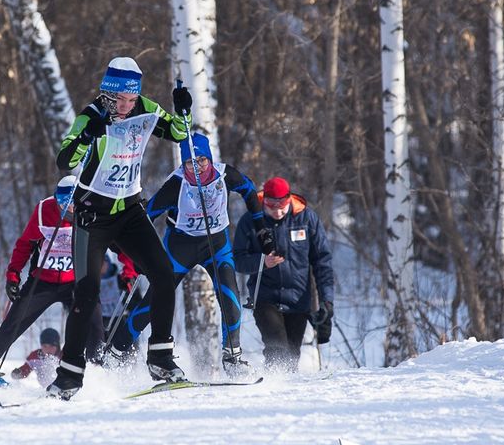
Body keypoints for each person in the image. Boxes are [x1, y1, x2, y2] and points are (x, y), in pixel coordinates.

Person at [48, 56, 191, 399]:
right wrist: (86, 135)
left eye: (130, 100)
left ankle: (160, 357)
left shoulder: (146, 108)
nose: (125, 108)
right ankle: (69, 375)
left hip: (128, 210)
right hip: (92, 214)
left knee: (162, 272)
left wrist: (184, 111)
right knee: (86, 293)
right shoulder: (92, 113)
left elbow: (179, 133)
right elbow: (64, 160)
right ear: (107, 94)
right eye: (119, 101)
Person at [123, 133, 272, 369]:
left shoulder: (225, 175)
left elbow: (249, 190)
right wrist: (139, 254)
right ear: (183, 165)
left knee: (230, 297)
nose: (198, 167)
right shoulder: (176, 185)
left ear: (210, 159)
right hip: (181, 248)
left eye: (202, 160)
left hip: (217, 246)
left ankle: (232, 358)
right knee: (155, 301)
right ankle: (118, 349)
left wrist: (262, 230)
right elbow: (145, 217)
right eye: (191, 163)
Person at [0, 176, 112, 389]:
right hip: (43, 282)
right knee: (10, 329)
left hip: (76, 283)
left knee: (95, 328)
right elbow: (25, 244)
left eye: (70, 204)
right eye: (61, 203)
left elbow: (115, 240)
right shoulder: (44, 210)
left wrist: (131, 268)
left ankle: (98, 380)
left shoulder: (92, 209)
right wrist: (13, 275)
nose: (65, 208)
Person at [234, 177, 335, 372]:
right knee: (277, 348)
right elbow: (237, 259)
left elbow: (323, 262)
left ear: (289, 200)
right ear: (264, 201)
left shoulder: (306, 218)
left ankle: (283, 394)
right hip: (265, 298)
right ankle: (273, 383)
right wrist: (262, 262)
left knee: (291, 354)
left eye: (282, 205)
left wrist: (327, 300)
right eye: (271, 206)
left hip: (298, 300)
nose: (277, 211)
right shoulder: (251, 220)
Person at [97, 250, 142, 360]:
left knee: (125, 343)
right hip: (101, 321)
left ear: (107, 263)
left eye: (102, 263)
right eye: (97, 264)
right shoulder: (93, 281)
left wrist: (129, 304)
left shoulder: (120, 279)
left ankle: (130, 365)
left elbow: (136, 300)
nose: (100, 267)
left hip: (120, 319)